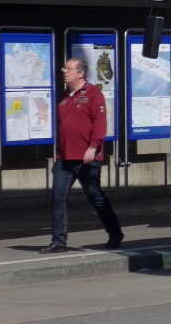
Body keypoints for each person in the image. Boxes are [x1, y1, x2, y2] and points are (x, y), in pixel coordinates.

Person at [40, 57, 122, 254]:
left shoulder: (94, 94)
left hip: (87, 158)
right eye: (64, 68)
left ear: (80, 73)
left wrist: (93, 147)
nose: (64, 72)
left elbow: (100, 124)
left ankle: (115, 233)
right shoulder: (64, 97)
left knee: (96, 197)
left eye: (68, 69)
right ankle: (58, 241)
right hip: (64, 159)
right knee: (58, 198)